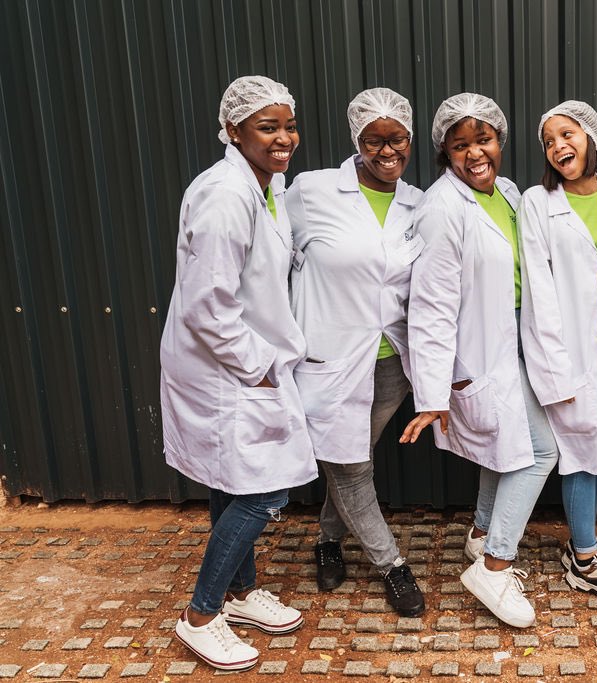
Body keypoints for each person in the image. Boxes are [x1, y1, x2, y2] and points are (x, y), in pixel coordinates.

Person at [160, 76, 315, 671]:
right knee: (264, 488)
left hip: (241, 363)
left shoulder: (263, 185)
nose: (284, 139)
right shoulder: (227, 195)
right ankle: (201, 616)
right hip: (227, 366)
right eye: (267, 127)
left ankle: (242, 594)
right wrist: (260, 369)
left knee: (232, 480)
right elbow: (208, 304)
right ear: (233, 131)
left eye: (289, 125)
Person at [399, 93, 559, 628]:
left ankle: (482, 533)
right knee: (538, 453)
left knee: (504, 451)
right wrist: (432, 392)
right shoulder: (441, 209)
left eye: (483, 140)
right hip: (479, 357)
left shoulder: (509, 194)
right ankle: (495, 564)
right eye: (459, 144)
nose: (474, 154)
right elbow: (430, 307)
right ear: (444, 151)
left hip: (516, 346)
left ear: (500, 141)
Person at [287, 87, 425, 617]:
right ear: (356, 139)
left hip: (390, 366)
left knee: (351, 459)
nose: (387, 152)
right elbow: (271, 255)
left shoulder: (416, 202)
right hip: (330, 361)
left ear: (409, 139)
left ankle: (326, 539)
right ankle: (393, 566)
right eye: (374, 141)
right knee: (350, 468)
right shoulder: (311, 191)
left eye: (398, 140)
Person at [517, 101, 597, 600]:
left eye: (566, 134)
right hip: (568, 351)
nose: (557, 146)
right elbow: (538, 291)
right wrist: (555, 369)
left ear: (592, 137)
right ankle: (585, 555)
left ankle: (583, 544)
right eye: (548, 141)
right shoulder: (536, 201)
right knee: (579, 450)